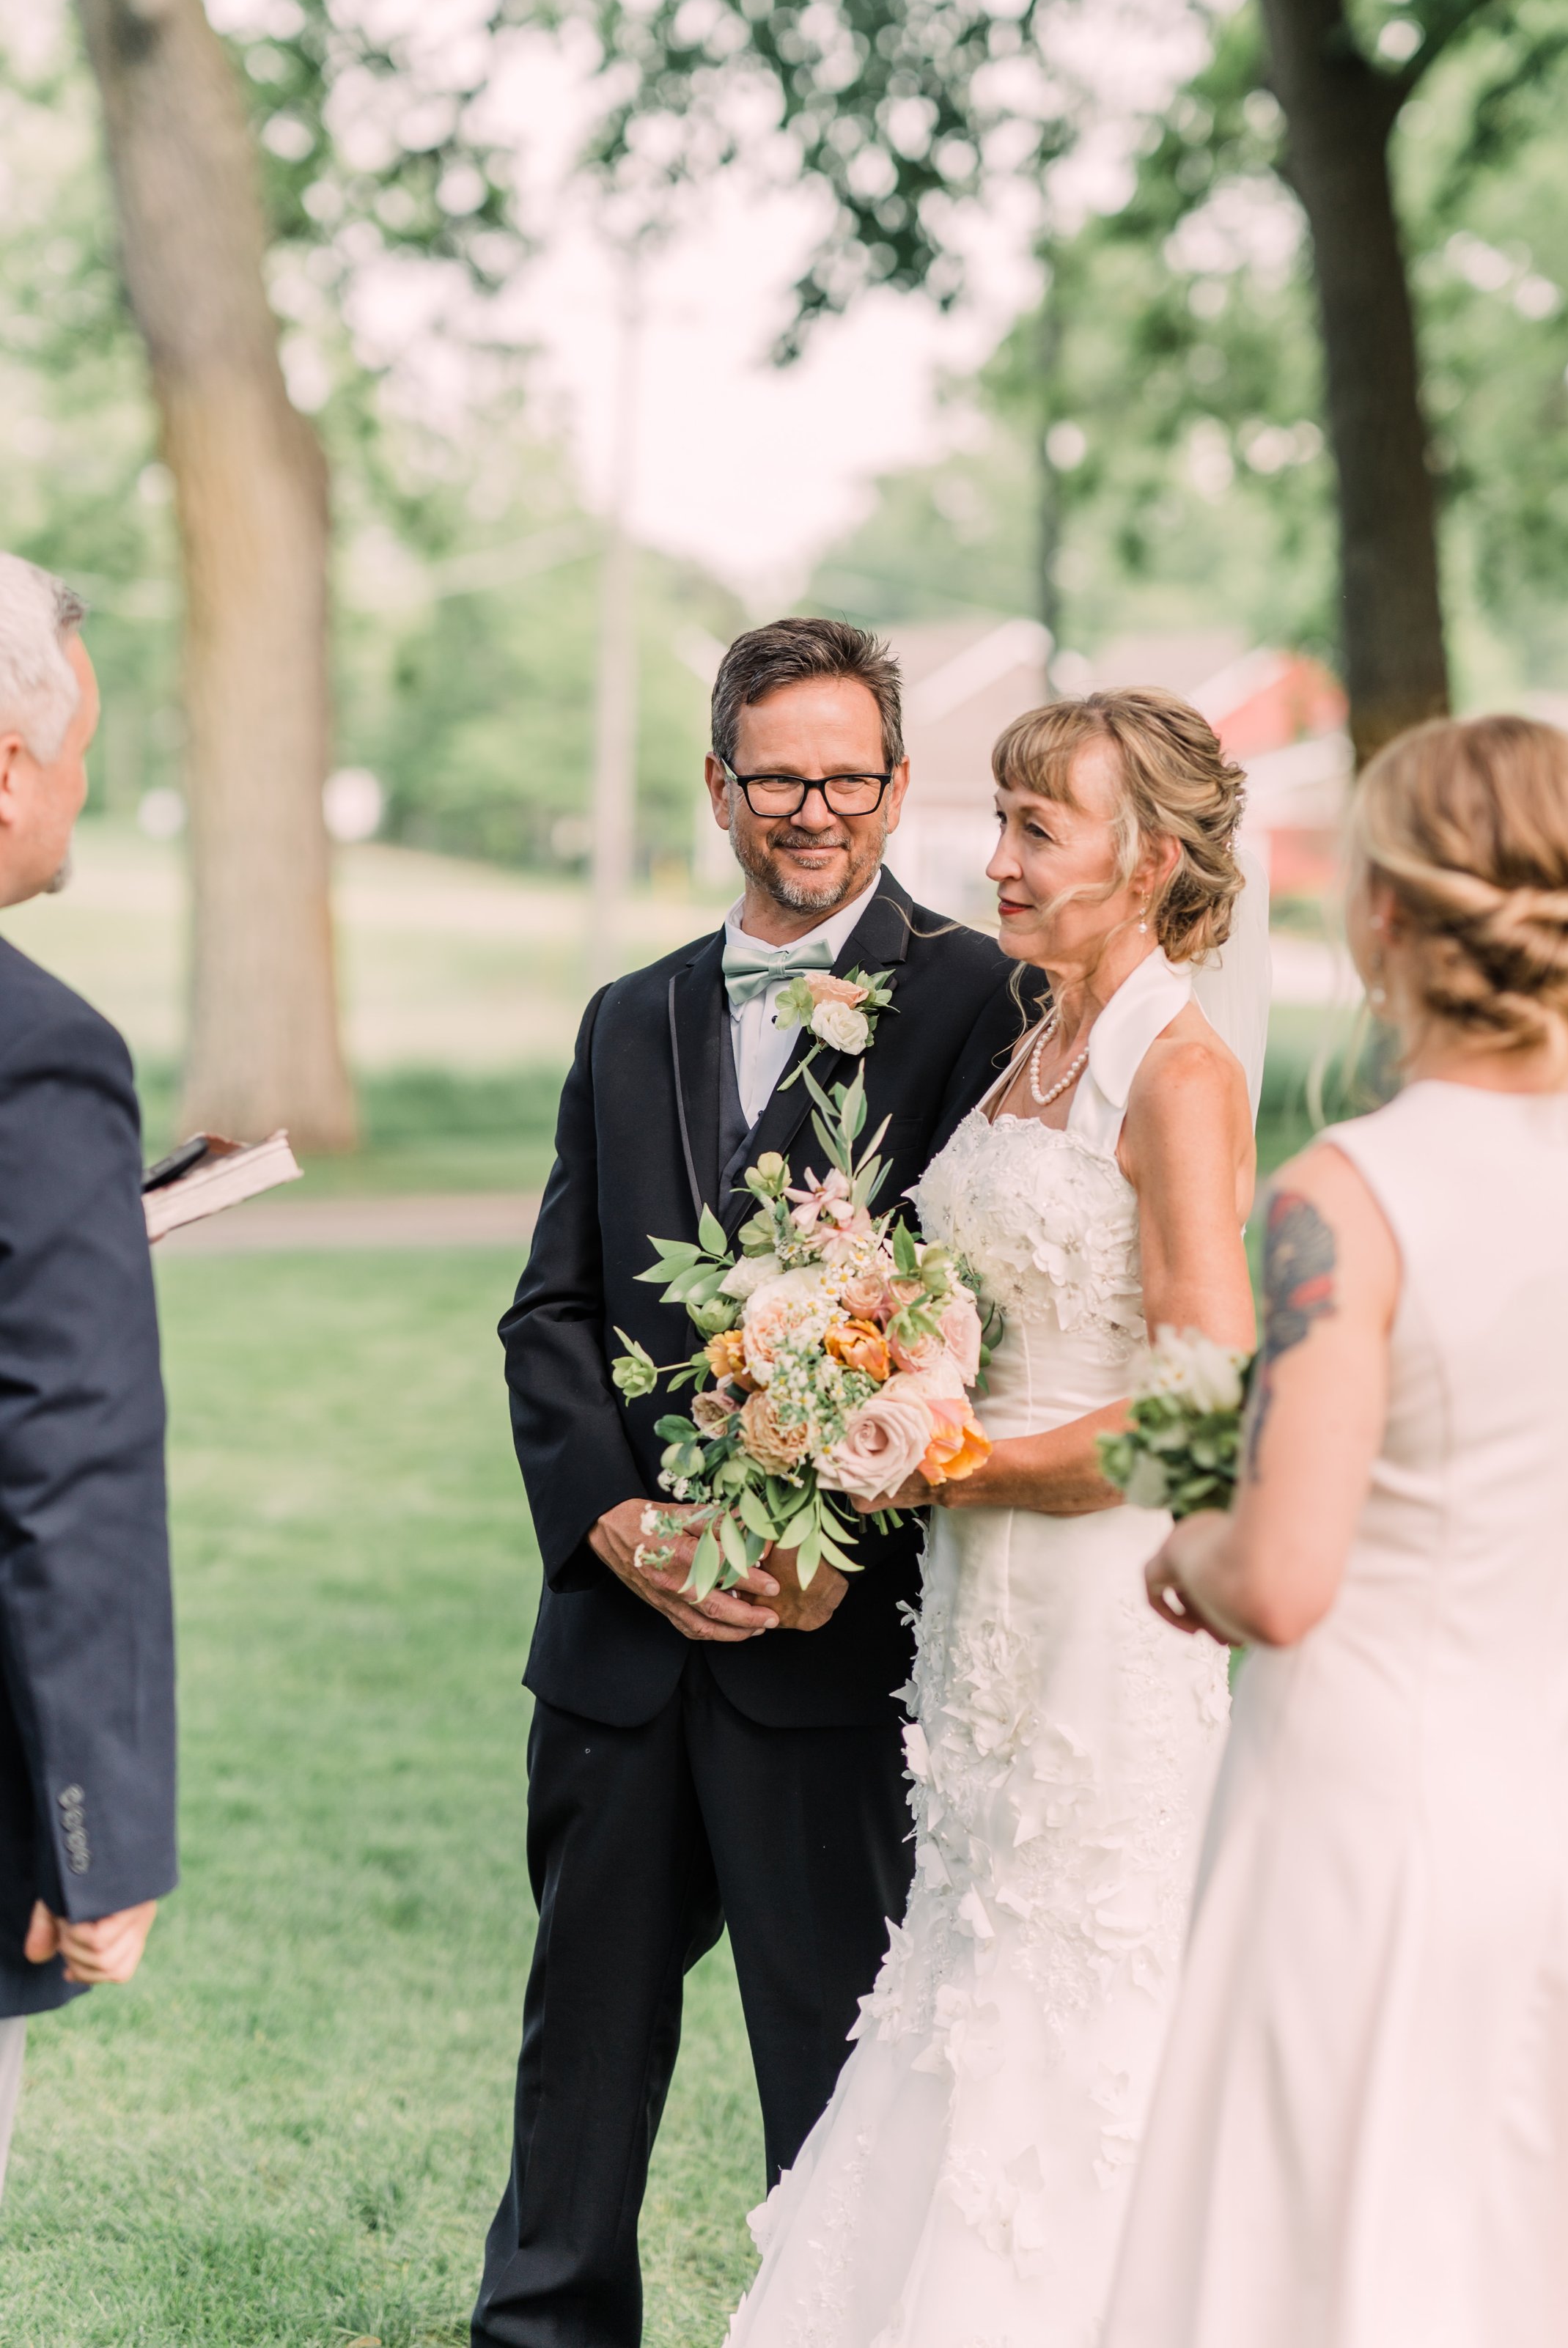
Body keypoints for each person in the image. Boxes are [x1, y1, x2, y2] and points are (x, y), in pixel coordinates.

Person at [1105, 713, 1568, 2348]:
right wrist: (1519, 1538)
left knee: (1328, 2264)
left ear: (1384, 918)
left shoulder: (1342, 1194)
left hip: (1357, 1830)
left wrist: (1180, 1543)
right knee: (1533, 2271)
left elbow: (1280, 1577)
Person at [474, 618, 1042, 2348]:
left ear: (895, 782)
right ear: (721, 784)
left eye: (846, 774)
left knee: (839, 2054)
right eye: (779, 774)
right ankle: (542, 2327)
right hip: (621, 1655)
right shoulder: (626, 1011)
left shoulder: (978, 998)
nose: (815, 809)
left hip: (828, 1649)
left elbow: (990, 1326)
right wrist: (615, 1522)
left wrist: (835, 1535)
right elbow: (550, 1310)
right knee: (583, 2038)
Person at [726, 687, 1269, 2348]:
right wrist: (856, 1358)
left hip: (1104, 1610)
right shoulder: (1035, 1044)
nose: (999, 855)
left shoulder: (1177, 1071)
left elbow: (1203, 1405)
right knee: (961, 1968)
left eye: (1040, 825)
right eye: (1005, 819)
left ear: (1152, 857)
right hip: (978, 1608)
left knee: (1072, 1987)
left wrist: (952, 1460)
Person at [0, 553, 176, 2193]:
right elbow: (70, 1458)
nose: (76, 798)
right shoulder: (38, 1047)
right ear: (3, 766)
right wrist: (96, 1828)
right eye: (75, 761)